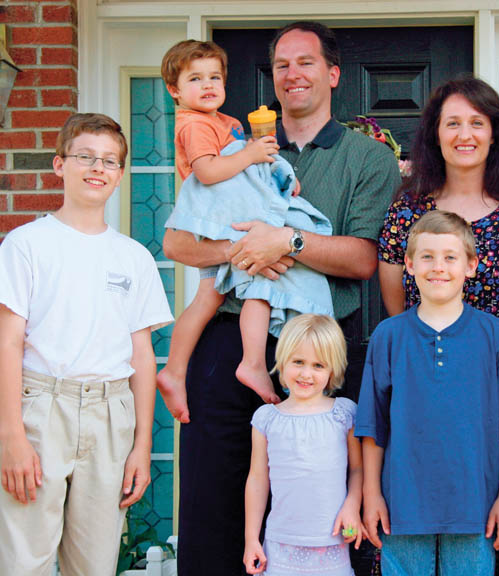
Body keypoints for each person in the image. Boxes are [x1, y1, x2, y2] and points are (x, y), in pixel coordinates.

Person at [162, 22, 400, 575]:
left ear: (333, 74)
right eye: (282, 65)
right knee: (213, 499)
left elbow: (364, 259)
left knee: (313, 511)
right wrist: (241, 248)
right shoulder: (232, 143)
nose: (292, 75)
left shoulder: (368, 158)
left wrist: (287, 242)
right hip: (228, 341)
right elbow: (176, 241)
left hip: (315, 347)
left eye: (306, 63)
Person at [377, 75, 499, 573]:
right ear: (434, 134)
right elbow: (398, 309)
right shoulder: (407, 214)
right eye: (452, 122)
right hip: (430, 403)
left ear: (495, 133)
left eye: (477, 122)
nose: (465, 133)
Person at [0, 113, 173, 575]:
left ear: (119, 175)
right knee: (23, 561)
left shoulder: (133, 257)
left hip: (109, 415)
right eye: (86, 157)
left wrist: (140, 444)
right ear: (59, 164)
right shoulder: (26, 245)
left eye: (110, 161)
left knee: (94, 565)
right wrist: (12, 436)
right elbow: (9, 342)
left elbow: (141, 356)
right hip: (41, 408)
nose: (98, 168)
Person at [157, 39, 335, 420]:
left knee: (214, 296)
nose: (208, 85)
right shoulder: (196, 125)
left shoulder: (227, 123)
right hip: (219, 218)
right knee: (241, 287)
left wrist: (277, 177)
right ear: (175, 91)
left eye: (215, 77)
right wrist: (252, 153)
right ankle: (231, 364)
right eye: (195, 79)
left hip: (229, 213)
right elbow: (208, 172)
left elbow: (248, 171)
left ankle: (182, 370)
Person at [357, 210, 499, 576]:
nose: (438, 267)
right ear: (408, 264)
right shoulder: (388, 337)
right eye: (427, 257)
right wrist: (371, 494)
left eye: (450, 257)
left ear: (471, 266)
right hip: (402, 505)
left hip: (474, 506)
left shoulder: (496, 337)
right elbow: (373, 426)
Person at [244, 314, 363, 576]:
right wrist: (251, 539)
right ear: (283, 361)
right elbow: (257, 479)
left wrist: (352, 506)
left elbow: (357, 469)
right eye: (298, 362)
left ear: (332, 369)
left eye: (318, 365)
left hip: (332, 541)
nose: (306, 374)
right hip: (280, 545)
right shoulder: (267, 419)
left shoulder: (343, 414)